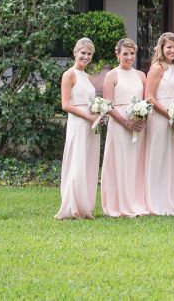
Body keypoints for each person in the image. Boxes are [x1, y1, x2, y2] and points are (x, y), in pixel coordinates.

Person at [100, 38, 149, 217]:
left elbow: (146, 101)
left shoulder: (141, 76)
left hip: (137, 124)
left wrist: (142, 118)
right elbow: (108, 105)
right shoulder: (112, 75)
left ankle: (135, 201)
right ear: (118, 54)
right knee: (120, 162)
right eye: (125, 54)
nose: (129, 57)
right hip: (119, 124)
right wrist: (125, 122)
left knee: (136, 163)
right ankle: (117, 204)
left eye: (132, 53)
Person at [143, 32, 174, 215]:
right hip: (160, 118)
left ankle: (173, 201)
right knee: (160, 157)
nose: (172, 50)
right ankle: (157, 201)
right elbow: (149, 97)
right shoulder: (157, 67)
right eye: (168, 47)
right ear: (161, 49)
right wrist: (170, 114)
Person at [55, 38, 101, 219]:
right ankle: (72, 206)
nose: (86, 57)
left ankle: (84, 206)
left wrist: (98, 113)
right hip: (78, 123)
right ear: (75, 53)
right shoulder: (69, 74)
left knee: (88, 162)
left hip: (91, 124)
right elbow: (66, 105)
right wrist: (88, 116)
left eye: (89, 54)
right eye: (83, 53)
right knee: (77, 161)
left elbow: (90, 102)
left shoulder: (88, 77)